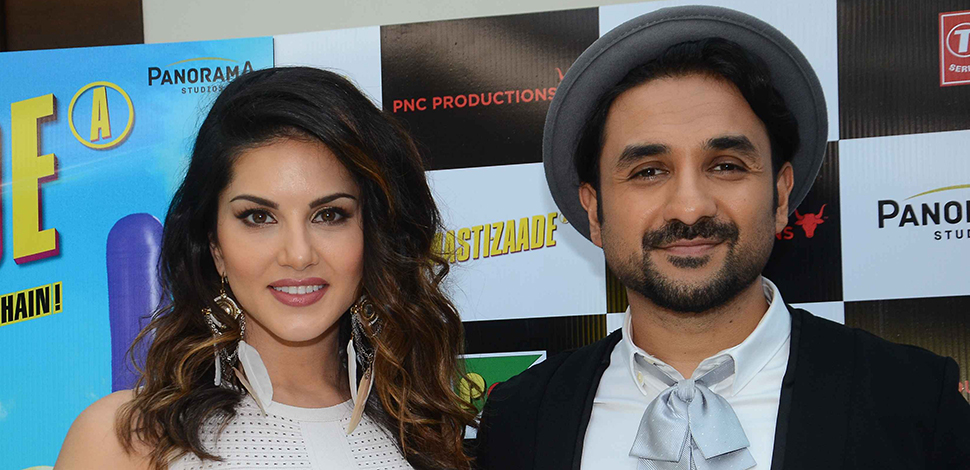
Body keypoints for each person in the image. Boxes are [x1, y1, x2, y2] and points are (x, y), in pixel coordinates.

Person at [476, 6, 970, 470]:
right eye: (648, 171)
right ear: (594, 211)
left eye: (727, 166)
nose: (690, 207)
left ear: (780, 195)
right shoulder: (519, 418)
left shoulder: (918, 401)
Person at [55, 67, 476, 470]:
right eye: (258, 217)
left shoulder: (419, 430)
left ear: (373, 234)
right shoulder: (128, 436)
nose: (298, 254)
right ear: (215, 246)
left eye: (329, 215)